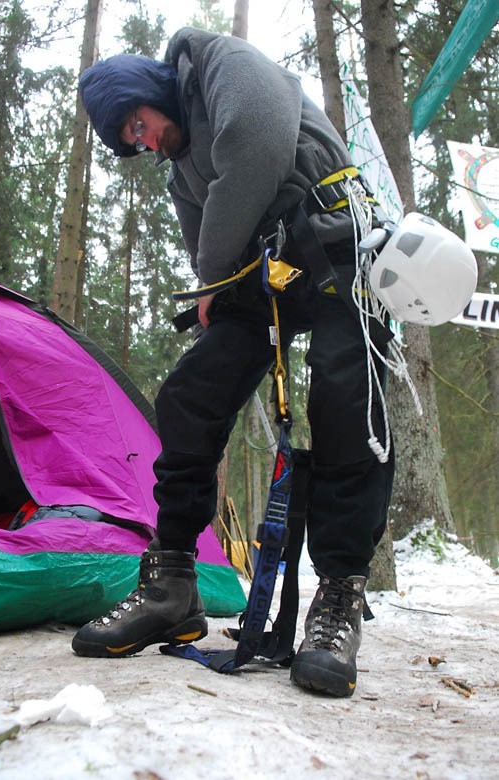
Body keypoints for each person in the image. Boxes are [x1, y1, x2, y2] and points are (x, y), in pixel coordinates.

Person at [72, 26, 395, 698]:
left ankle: (337, 598)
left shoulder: (219, 63)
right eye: (130, 141)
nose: (143, 140)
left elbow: (256, 146)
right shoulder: (180, 167)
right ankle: (172, 582)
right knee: (190, 393)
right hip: (264, 269)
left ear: (151, 91)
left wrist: (216, 277)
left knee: (344, 393)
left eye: (137, 123)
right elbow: (206, 249)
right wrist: (214, 288)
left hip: (336, 235)